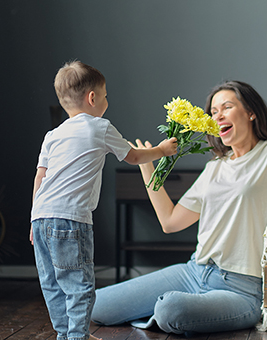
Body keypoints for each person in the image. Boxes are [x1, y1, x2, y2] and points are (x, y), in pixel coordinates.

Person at [91, 80, 267, 335]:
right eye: (213, 112)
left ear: (251, 113)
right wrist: (146, 166)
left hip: (242, 288)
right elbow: (170, 222)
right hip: (194, 271)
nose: (218, 116)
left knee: (170, 310)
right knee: (95, 306)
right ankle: (172, 310)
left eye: (226, 107)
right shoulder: (214, 167)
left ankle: (170, 310)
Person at [29, 61, 178, 340]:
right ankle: (76, 337)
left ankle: (67, 334)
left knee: (52, 284)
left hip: (41, 218)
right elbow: (133, 156)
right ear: (92, 98)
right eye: (106, 95)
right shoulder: (100, 127)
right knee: (79, 283)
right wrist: (162, 150)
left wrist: (33, 219)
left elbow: (41, 178)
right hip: (71, 219)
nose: (107, 100)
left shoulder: (52, 135)